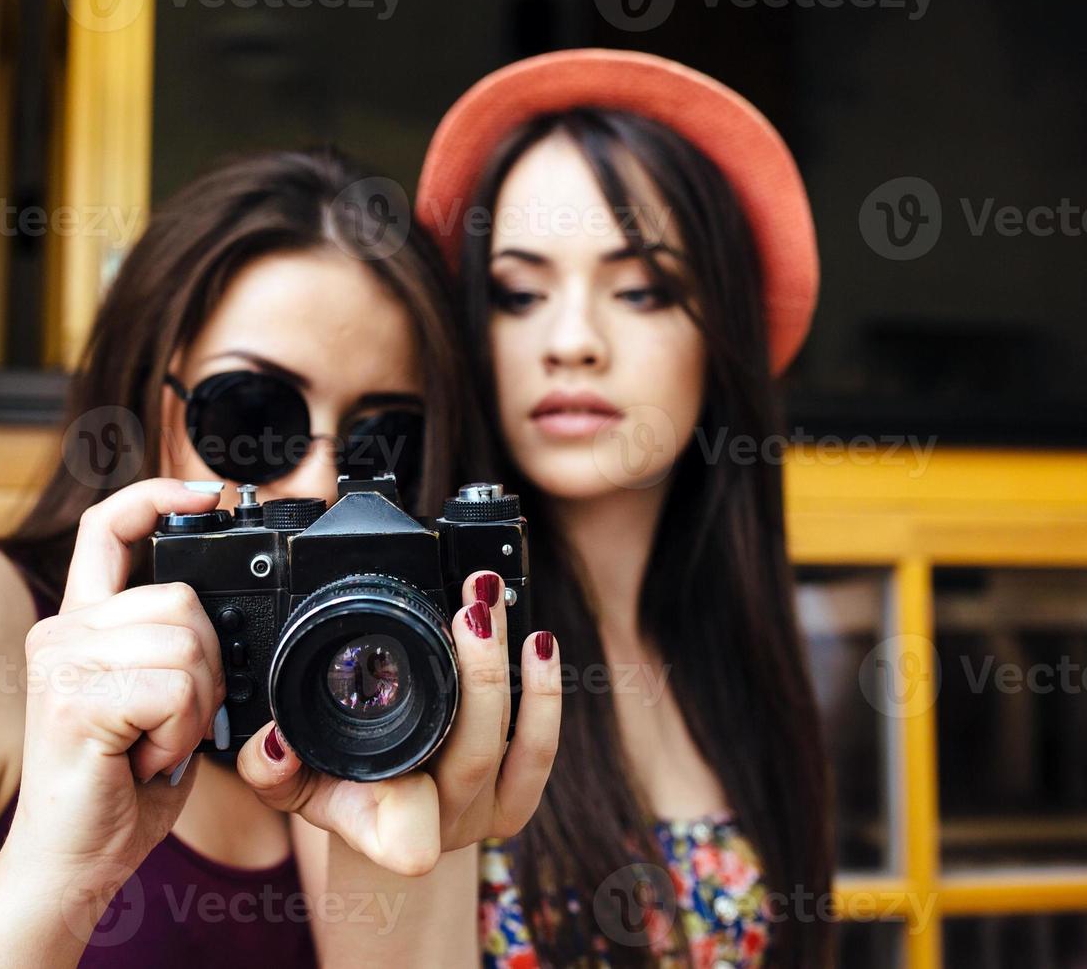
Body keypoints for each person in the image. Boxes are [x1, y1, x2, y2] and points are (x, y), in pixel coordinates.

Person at [0, 149, 562, 967]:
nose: (316, 480)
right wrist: (62, 871)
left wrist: (403, 829)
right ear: (142, 391)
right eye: (250, 418)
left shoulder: (402, 703)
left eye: (381, 444)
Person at [312, 50, 835, 967]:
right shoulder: (409, 657)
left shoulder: (744, 657)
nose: (572, 342)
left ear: (725, 338)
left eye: (641, 289)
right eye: (518, 294)